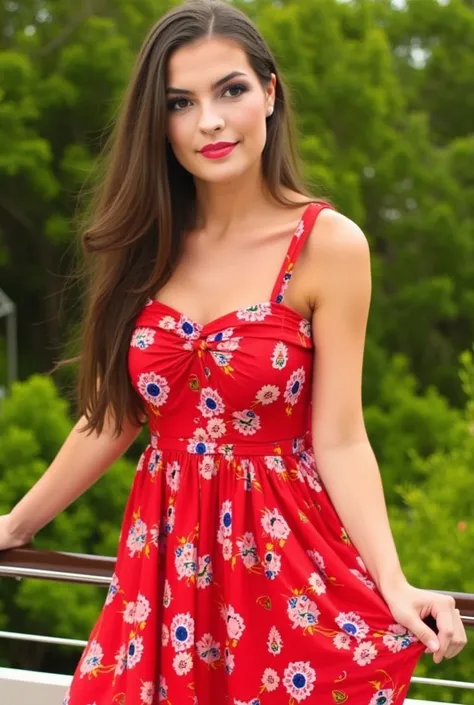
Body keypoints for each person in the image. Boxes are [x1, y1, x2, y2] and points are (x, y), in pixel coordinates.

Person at [0, 0, 467, 703]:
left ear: (270, 94)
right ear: (157, 123)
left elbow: (339, 437)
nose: (210, 122)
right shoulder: (145, 244)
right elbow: (112, 418)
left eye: (231, 90)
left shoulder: (328, 246)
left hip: (284, 576)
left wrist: (394, 581)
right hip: (160, 575)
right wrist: (15, 524)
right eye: (181, 102)